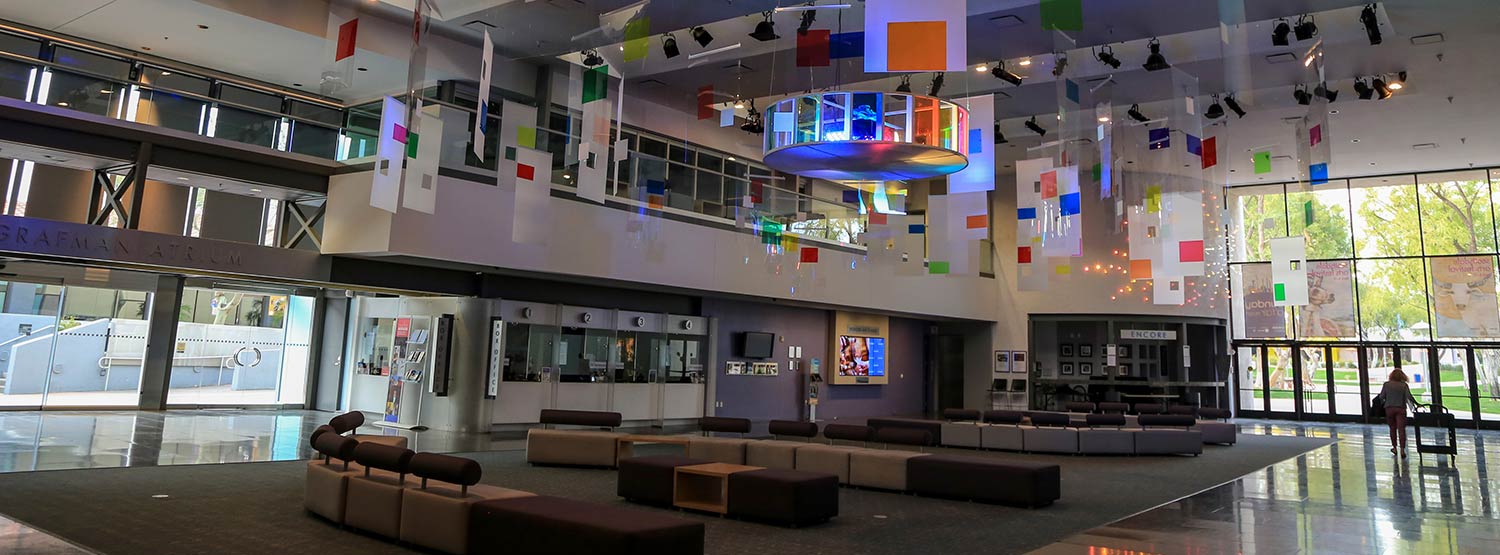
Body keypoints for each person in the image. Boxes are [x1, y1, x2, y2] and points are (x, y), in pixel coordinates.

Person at [1380, 369, 1419, 457]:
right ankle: (1402, 450)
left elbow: (1382, 396)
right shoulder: (1404, 385)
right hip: (1401, 409)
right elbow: (1409, 397)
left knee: (1392, 428)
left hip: (1389, 408)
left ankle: (1394, 447)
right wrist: (1416, 404)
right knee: (1401, 430)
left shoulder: (1386, 385)